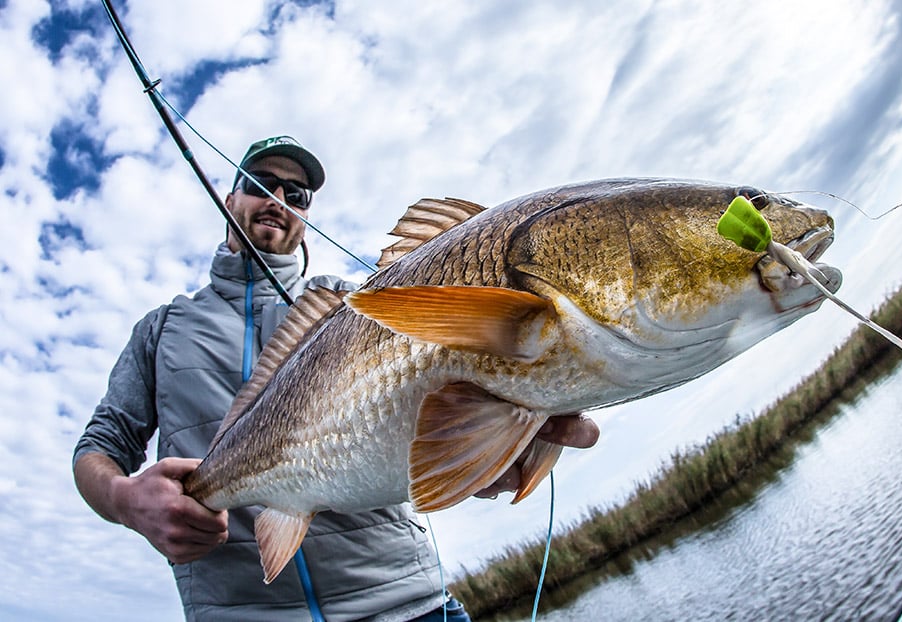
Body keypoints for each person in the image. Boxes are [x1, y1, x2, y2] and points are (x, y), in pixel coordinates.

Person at [73, 136, 599, 621]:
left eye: (296, 194)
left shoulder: (359, 306)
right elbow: (100, 446)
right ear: (229, 198)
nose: (277, 199)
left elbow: (450, 410)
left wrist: (492, 454)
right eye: (259, 184)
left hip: (409, 604)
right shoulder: (160, 330)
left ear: (306, 213)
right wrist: (123, 499)